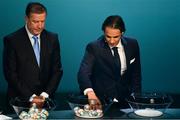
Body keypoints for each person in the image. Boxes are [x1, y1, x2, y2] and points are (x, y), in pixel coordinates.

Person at [3, 2, 63, 112]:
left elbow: (57, 71)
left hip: (45, 102)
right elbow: (10, 74)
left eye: (42, 21)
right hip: (19, 103)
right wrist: (31, 97)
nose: (40, 26)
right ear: (26, 19)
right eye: (35, 21)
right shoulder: (12, 40)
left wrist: (44, 96)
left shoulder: (52, 39)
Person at [78, 15, 141, 108]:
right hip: (100, 103)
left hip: (125, 102)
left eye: (116, 37)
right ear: (104, 32)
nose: (111, 41)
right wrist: (90, 92)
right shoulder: (94, 47)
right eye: (108, 36)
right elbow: (83, 72)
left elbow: (136, 75)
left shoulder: (133, 44)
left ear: (122, 33)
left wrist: (136, 100)